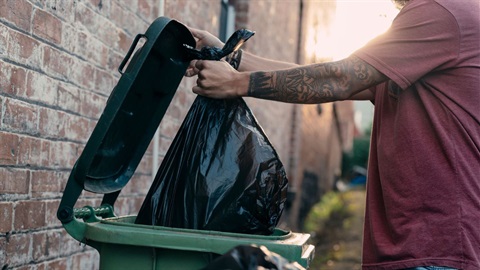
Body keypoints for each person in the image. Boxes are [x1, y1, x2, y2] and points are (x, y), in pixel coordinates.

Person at [184, 0, 480, 269]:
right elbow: (322, 74)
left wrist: (238, 84)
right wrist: (231, 57)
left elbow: (340, 78)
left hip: (438, 249)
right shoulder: (439, 19)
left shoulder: (443, 10)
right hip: (421, 247)